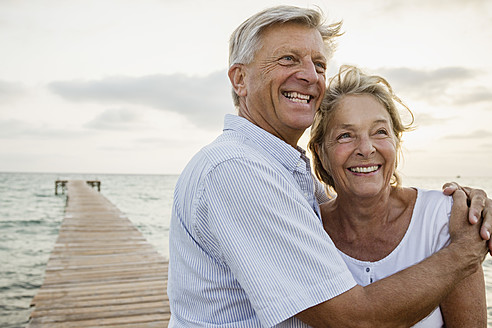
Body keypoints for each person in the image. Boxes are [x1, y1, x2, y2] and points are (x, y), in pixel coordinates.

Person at [168, 5, 491, 327]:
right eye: (288, 59)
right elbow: (354, 320)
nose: (310, 75)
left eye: (319, 64)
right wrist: (466, 251)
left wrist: (467, 202)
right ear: (240, 79)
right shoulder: (238, 169)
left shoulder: (283, 171)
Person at [308, 65, 486, 327]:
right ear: (321, 153)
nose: (366, 149)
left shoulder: (445, 219)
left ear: (396, 142)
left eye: (380, 132)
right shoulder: (306, 229)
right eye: (346, 135)